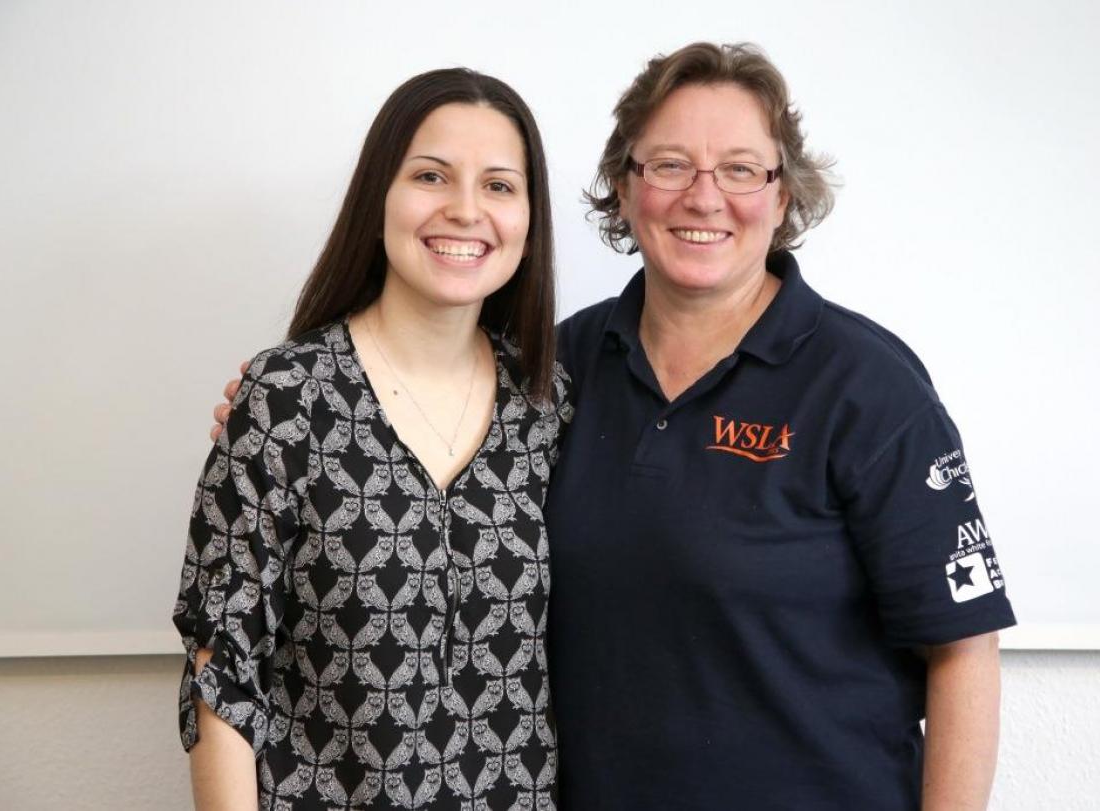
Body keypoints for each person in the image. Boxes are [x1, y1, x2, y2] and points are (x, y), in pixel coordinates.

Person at [213, 43, 1015, 810]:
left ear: (783, 195)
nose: (704, 196)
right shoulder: (552, 376)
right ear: (624, 189)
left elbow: (963, 649)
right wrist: (292, 412)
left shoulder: (867, 386)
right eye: (669, 165)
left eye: (740, 169)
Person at [176, 68, 569, 810]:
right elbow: (221, 664)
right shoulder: (287, 397)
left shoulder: (548, 405)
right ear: (378, 196)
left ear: (529, 215)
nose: (464, 210)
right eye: (430, 175)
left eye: (498, 185)